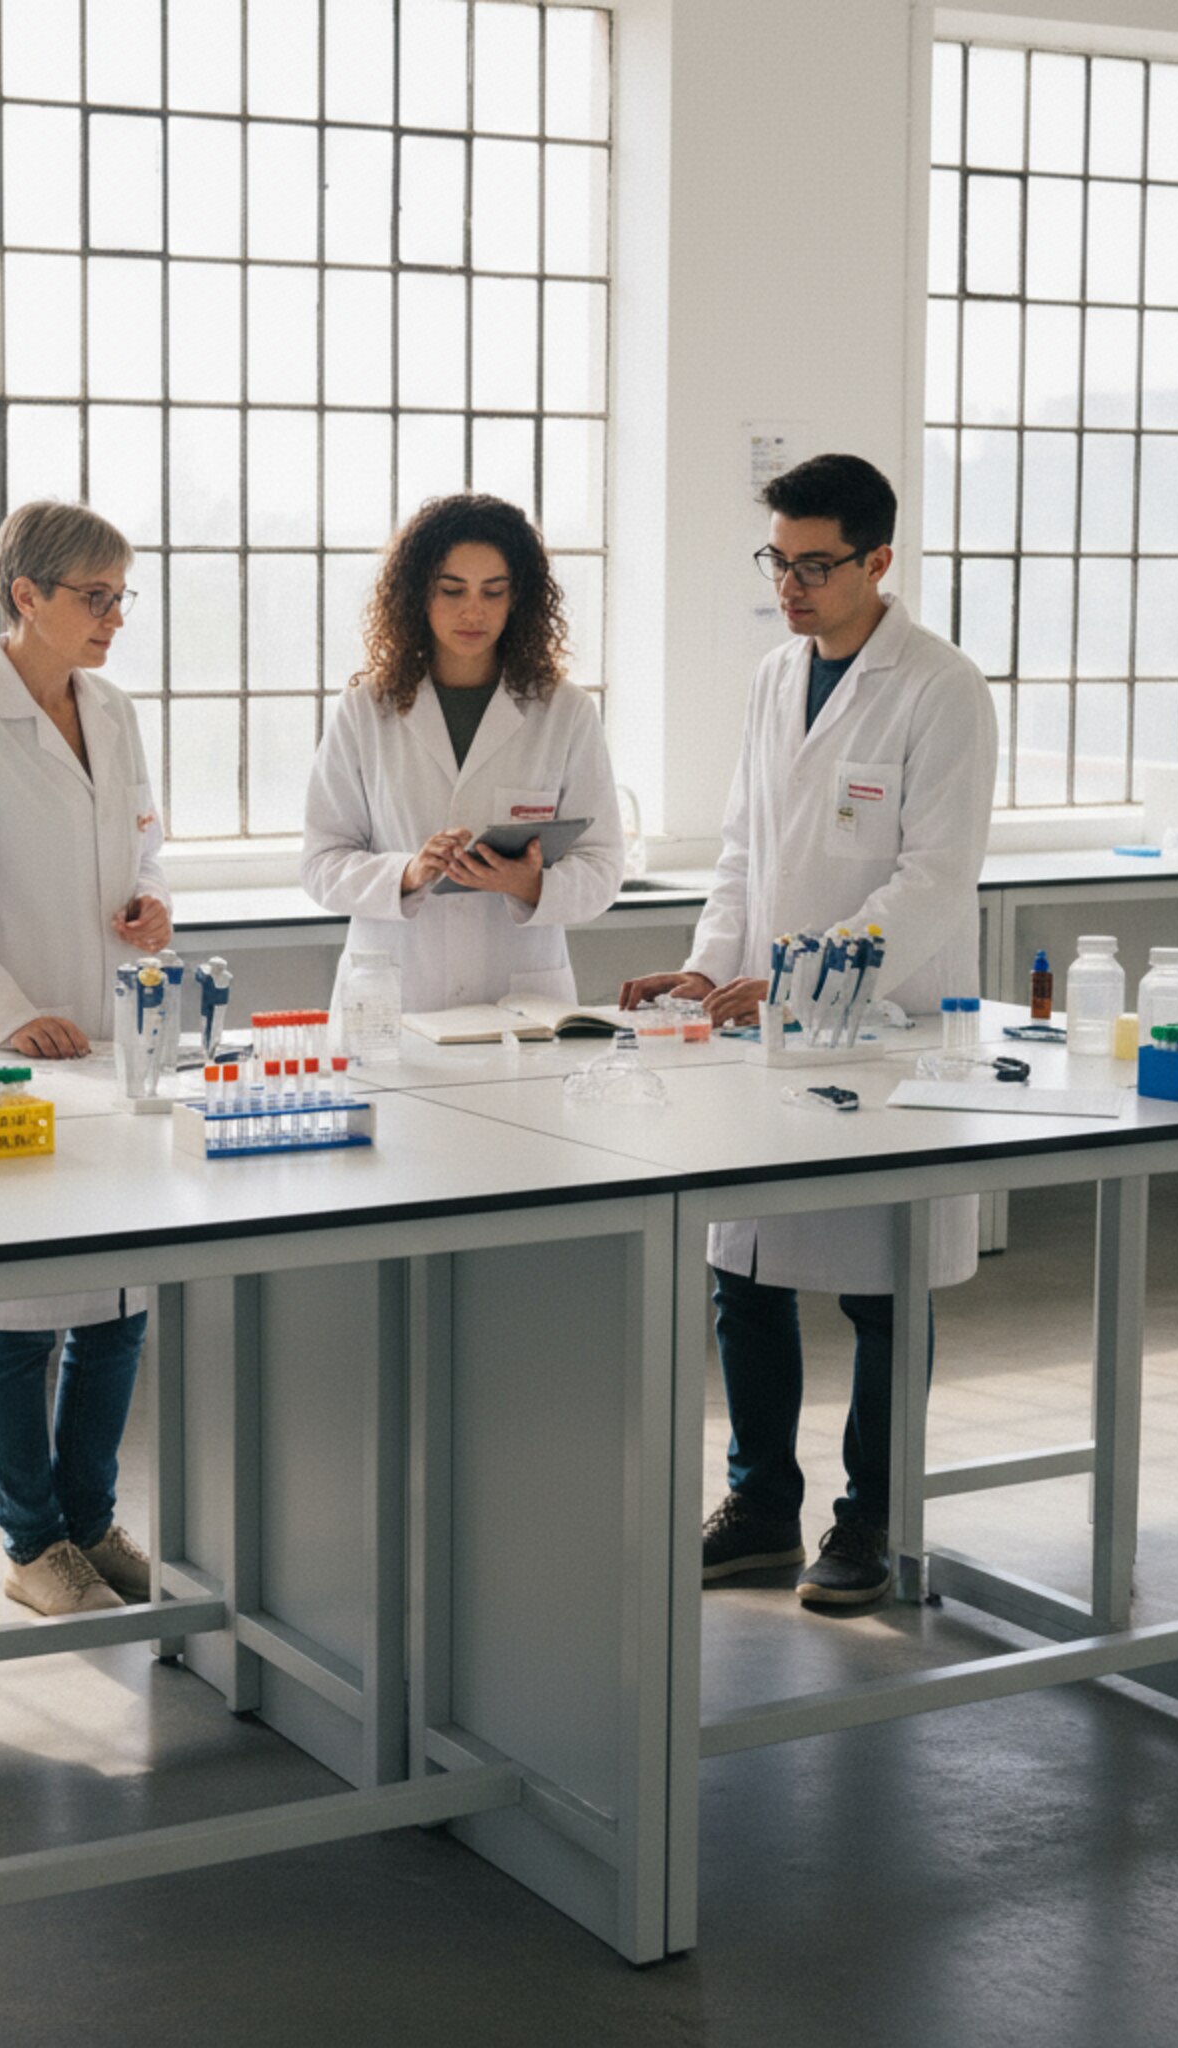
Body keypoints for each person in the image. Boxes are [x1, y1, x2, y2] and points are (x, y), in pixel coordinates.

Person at [618, 453, 996, 1607]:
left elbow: (934, 879)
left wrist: (793, 978)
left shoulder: (939, 688)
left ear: (877, 560)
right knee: (745, 1264)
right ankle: (761, 1507)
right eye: (776, 562)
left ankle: (869, 1519)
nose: (789, 584)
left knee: (883, 1285)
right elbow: (742, 851)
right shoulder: (775, 676)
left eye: (814, 564)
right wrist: (703, 968)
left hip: (890, 1030)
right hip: (764, 1028)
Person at [0, 500, 169, 1618]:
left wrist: (153, 911)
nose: (112, 617)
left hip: (108, 1040)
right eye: (93, 596)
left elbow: (144, 845)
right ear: (26, 596)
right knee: (14, 1315)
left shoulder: (110, 709)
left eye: (120, 595)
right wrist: (10, 1018)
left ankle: (90, 1520)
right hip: (4, 1056)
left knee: (114, 1301)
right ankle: (29, 1541)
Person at [300, 494, 625, 1015]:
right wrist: (407, 873)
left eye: (493, 592)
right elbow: (321, 863)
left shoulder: (564, 711)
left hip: (522, 1001)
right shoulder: (366, 710)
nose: (473, 611)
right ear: (417, 597)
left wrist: (531, 884)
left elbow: (603, 867)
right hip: (397, 998)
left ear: (517, 599)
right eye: (452, 591)